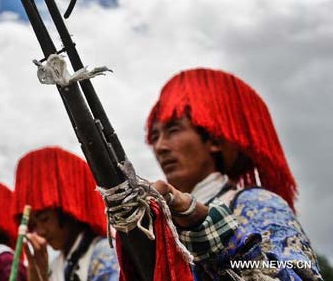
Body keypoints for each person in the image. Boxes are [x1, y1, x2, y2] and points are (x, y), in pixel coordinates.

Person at [137, 67, 322, 280]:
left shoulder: (256, 202)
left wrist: (205, 227)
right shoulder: (159, 224)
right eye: (154, 136)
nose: (160, 147)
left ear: (214, 141)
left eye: (173, 130)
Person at [13, 146, 119, 281]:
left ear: (69, 210)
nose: (39, 232)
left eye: (45, 219)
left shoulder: (105, 253)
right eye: (33, 225)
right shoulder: (56, 265)